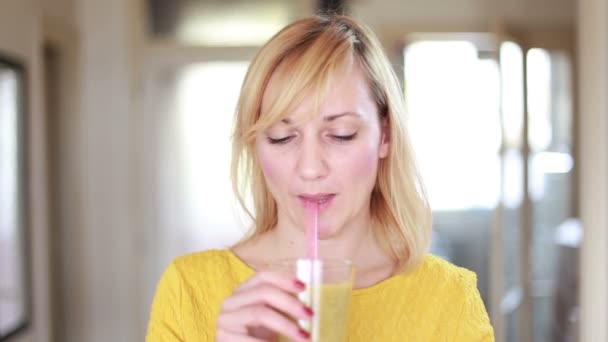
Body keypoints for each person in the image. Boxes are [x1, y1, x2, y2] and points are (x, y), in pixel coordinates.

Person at [146, 14, 494, 341]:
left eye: (341, 134)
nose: (310, 168)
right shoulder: (188, 289)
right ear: (255, 146)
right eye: (282, 137)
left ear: (385, 136)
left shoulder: (450, 299)